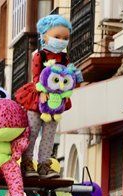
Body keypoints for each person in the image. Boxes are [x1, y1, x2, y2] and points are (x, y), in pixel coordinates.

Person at [14, 14, 82, 178]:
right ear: (44, 36)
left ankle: (44, 163)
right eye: (57, 36)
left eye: (65, 37)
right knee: (32, 130)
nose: (62, 40)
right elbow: (37, 76)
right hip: (38, 97)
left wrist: (69, 86)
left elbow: (66, 76)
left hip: (56, 100)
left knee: (50, 132)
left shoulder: (64, 57)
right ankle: (27, 162)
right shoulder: (40, 55)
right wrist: (43, 92)